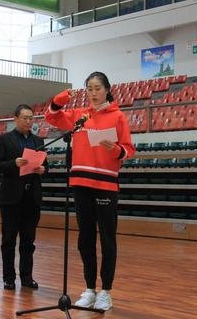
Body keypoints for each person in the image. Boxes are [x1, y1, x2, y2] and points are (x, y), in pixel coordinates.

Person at [45, 72, 135, 311]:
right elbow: (51, 117)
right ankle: (89, 289)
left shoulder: (118, 116)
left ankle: (106, 291)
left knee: (107, 239)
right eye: (89, 89)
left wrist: (115, 149)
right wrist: (60, 100)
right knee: (85, 239)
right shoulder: (80, 115)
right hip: (81, 183)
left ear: (107, 90)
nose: (93, 93)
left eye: (97, 88)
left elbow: (128, 149)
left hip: (105, 184)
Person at [0, 104, 47, 291]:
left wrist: (42, 169)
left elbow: (45, 166)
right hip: (11, 198)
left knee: (28, 241)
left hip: (32, 197)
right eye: (24, 118)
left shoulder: (38, 141)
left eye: (31, 118)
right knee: (9, 240)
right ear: (15, 119)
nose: (28, 121)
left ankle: (27, 277)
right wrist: (14, 163)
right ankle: (8, 277)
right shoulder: (4, 140)